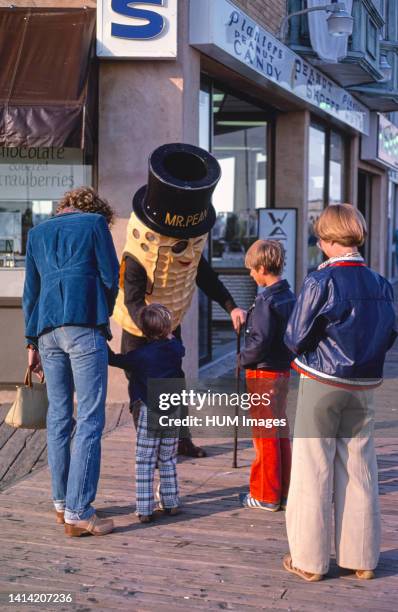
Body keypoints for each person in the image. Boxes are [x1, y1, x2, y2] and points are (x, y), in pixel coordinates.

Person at [283, 204, 397, 581]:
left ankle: (310, 561)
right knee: (360, 467)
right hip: (363, 384)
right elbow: (390, 332)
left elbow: (295, 337)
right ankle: (362, 558)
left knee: (312, 470)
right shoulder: (381, 283)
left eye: (320, 237)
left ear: (329, 241)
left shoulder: (321, 281)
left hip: (322, 380)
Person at [113, 143, 246, 458]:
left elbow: (205, 275)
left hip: (171, 321)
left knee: (173, 382)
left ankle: (181, 439)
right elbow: (133, 301)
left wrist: (231, 306)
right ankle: (151, 446)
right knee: (144, 388)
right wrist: (156, 332)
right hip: (140, 329)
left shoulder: (187, 248)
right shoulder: (136, 259)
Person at [23, 187, 120, 537]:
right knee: (91, 418)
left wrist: (30, 342)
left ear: (63, 205)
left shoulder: (37, 233)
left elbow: (30, 293)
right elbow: (112, 277)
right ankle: (80, 512)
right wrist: (101, 309)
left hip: (47, 331)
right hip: (83, 326)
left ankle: (62, 504)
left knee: (59, 417)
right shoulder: (95, 224)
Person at [108, 303, 183, 523]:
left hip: (150, 412)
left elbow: (115, 360)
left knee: (145, 460)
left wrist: (101, 342)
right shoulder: (176, 348)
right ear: (167, 329)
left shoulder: (139, 355)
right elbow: (178, 345)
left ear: (143, 330)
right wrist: (170, 335)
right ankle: (170, 503)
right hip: (173, 410)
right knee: (168, 458)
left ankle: (144, 509)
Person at [238, 240, 296, 512]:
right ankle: (284, 491)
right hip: (282, 370)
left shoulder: (266, 300)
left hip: (263, 373)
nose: (251, 275)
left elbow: (259, 341)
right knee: (279, 431)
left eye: (252, 270)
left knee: (264, 436)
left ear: (262, 268)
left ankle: (265, 494)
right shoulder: (288, 295)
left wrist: (241, 360)